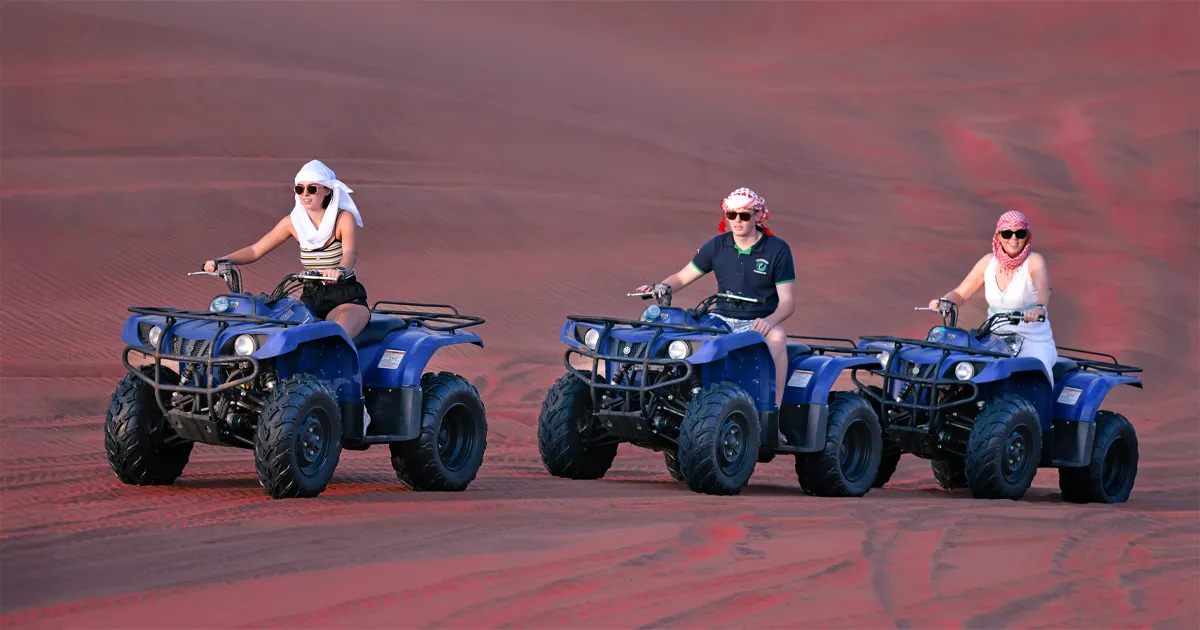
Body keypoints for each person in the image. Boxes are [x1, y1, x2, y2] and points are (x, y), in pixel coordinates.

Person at [635, 187, 796, 411]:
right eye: (731, 215)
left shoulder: (777, 250)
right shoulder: (717, 245)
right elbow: (682, 277)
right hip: (719, 317)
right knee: (682, 336)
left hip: (758, 322)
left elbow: (788, 302)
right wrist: (659, 287)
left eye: (744, 215)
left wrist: (770, 321)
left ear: (758, 216)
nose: (737, 221)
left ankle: (773, 414)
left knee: (778, 338)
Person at [203, 159, 370, 341]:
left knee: (335, 337)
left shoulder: (343, 218)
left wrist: (339, 270)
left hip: (344, 295)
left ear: (327, 190)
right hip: (311, 296)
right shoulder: (294, 222)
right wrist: (223, 261)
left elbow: (349, 253)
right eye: (300, 189)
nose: (305, 194)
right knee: (283, 336)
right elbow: (255, 250)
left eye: (312, 189)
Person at [929, 209, 1058, 383]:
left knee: (1034, 375)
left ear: (1027, 236)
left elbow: (1045, 291)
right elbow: (961, 293)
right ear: (998, 237)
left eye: (1019, 233)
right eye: (1007, 233)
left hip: (1031, 339)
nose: (1013, 239)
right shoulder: (988, 263)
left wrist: (1039, 309)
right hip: (995, 339)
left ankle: (1037, 410)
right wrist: (944, 302)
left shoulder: (1034, 261)